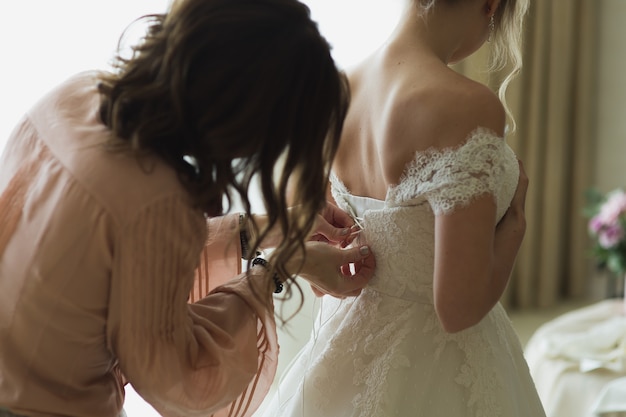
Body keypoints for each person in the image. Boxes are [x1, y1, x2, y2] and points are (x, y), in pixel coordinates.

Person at [0, 0, 377, 416]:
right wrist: (279, 268)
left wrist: (270, 228)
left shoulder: (78, 94)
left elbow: (121, 260)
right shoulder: (158, 203)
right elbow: (181, 376)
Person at [260, 0, 547, 416]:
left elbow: (312, 226)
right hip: (443, 364)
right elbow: (458, 308)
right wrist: (515, 226)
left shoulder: (338, 88)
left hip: (347, 345)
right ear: (490, 5)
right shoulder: (466, 105)